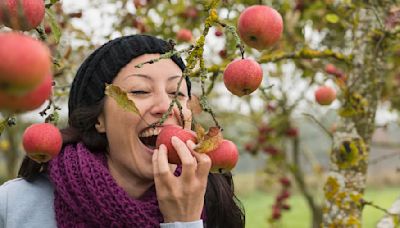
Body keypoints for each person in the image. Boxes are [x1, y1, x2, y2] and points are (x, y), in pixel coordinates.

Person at [0, 34, 245, 228]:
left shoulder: (213, 204)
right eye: (139, 91)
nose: (165, 107)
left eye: (176, 93)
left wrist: (184, 220)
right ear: (99, 120)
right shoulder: (15, 206)